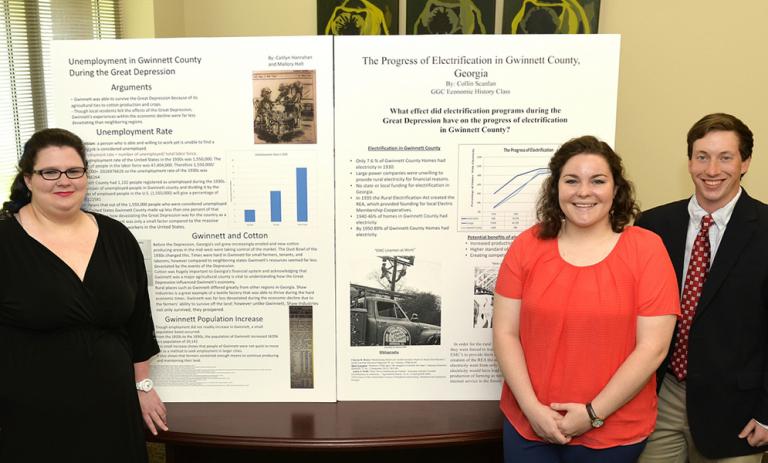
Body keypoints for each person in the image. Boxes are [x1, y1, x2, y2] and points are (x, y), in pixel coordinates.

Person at [493, 135, 680, 462]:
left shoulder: (647, 250)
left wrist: (593, 413)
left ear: (616, 189)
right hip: (529, 425)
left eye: (597, 180)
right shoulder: (527, 245)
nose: (583, 191)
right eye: (571, 180)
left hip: (613, 431)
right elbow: (505, 332)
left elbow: (653, 348)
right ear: (556, 189)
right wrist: (532, 410)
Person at [0, 128, 167, 462]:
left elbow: (138, 321)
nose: (64, 181)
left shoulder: (116, 235)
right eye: (50, 172)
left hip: (112, 410)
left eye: (74, 171)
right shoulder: (5, 241)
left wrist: (143, 387)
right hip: (32, 415)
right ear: (28, 179)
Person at [636, 113, 768, 462]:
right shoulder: (651, 226)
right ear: (690, 161)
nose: (712, 170)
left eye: (725, 157)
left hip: (736, 412)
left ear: (745, 162)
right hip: (659, 398)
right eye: (702, 156)